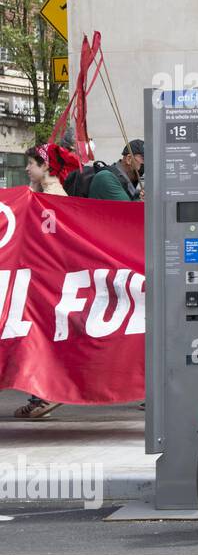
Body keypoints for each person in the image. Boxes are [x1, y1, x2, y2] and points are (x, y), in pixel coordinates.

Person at [12, 145, 77, 420]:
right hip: (45, 278)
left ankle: (45, 394)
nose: (27, 169)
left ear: (46, 167)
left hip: (47, 279)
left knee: (42, 335)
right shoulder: (43, 194)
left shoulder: (51, 197)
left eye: (32, 164)